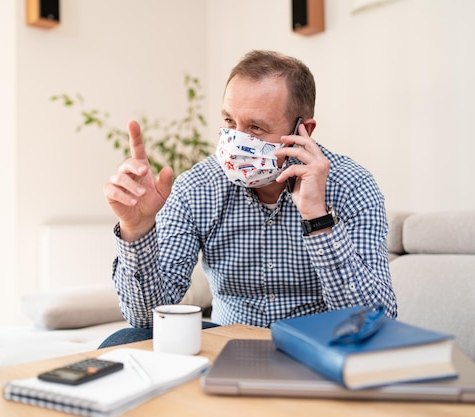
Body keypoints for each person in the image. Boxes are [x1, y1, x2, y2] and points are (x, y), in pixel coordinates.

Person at [99, 50, 397, 347]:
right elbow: (146, 320)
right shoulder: (197, 186)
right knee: (126, 339)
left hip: (316, 346)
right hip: (227, 343)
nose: (235, 142)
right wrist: (137, 230)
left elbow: (375, 319)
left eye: (255, 127)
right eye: (229, 122)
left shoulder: (352, 185)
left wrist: (317, 217)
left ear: (303, 130)